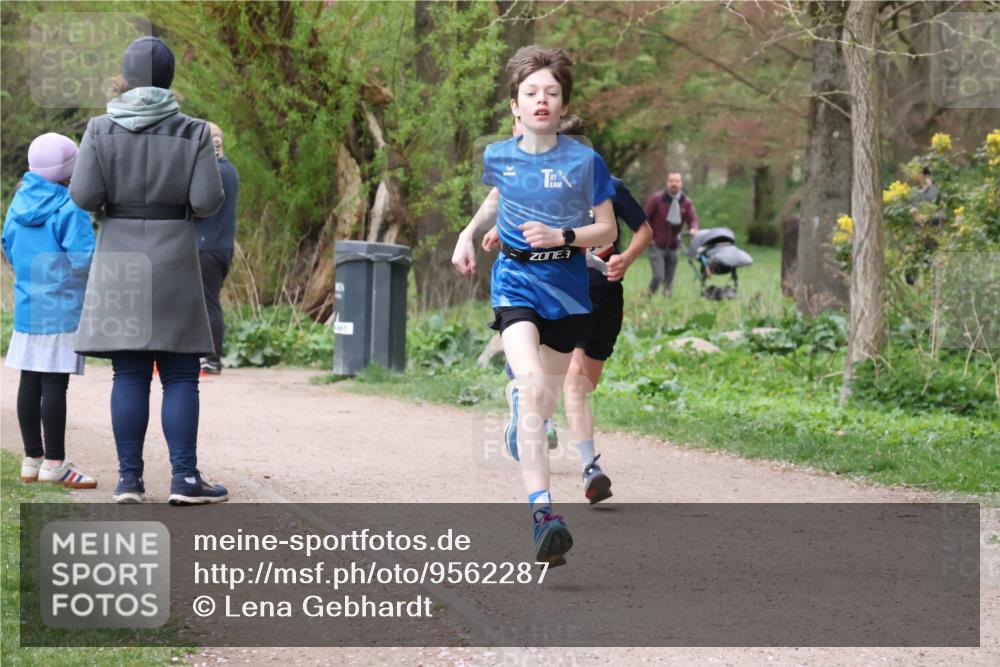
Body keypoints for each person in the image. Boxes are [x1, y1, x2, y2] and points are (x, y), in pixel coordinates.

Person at [452, 46, 617, 566]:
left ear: (562, 103)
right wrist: (468, 231)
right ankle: (544, 515)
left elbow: (607, 228)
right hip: (516, 284)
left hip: (568, 292)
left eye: (551, 92)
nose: (541, 100)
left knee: (539, 402)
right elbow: (498, 196)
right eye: (531, 93)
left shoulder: (584, 160)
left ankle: (521, 415)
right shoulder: (498, 155)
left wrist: (562, 233)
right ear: (514, 106)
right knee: (529, 387)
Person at [70, 36, 228, 505]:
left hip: (119, 254)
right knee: (180, 374)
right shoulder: (195, 131)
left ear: (126, 76)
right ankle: (184, 480)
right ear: (170, 78)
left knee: (129, 373)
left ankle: (129, 482)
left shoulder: (99, 129)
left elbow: (81, 197)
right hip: (175, 257)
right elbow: (205, 201)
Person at [481, 115, 652, 504]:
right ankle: (583, 460)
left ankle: (551, 424)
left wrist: (625, 257)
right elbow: (511, 211)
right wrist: (492, 231)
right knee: (563, 377)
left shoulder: (607, 185)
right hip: (560, 290)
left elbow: (642, 229)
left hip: (605, 294)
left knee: (579, 384)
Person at [3, 133, 97, 489]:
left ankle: (32, 458)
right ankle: (56, 463)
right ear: (70, 169)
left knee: (30, 380)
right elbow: (83, 260)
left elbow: (7, 247)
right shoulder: (70, 207)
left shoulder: (18, 202)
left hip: (28, 306)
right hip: (61, 308)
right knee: (55, 383)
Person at [196, 122, 239, 375]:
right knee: (210, 300)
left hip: (207, 246)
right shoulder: (230, 170)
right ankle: (207, 354)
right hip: (223, 246)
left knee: (208, 302)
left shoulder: (213, 175)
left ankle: (212, 358)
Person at [644, 172, 698, 297]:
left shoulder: (686, 202)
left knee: (669, 280)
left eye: (677, 181)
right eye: (671, 181)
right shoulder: (657, 199)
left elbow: (693, 219)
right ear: (667, 183)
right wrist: (649, 238)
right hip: (656, 244)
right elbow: (644, 218)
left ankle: (666, 302)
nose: (674, 183)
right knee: (658, 276)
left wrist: (694, 228)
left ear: (681, 184)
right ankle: (646, 297)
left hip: (674, 245)